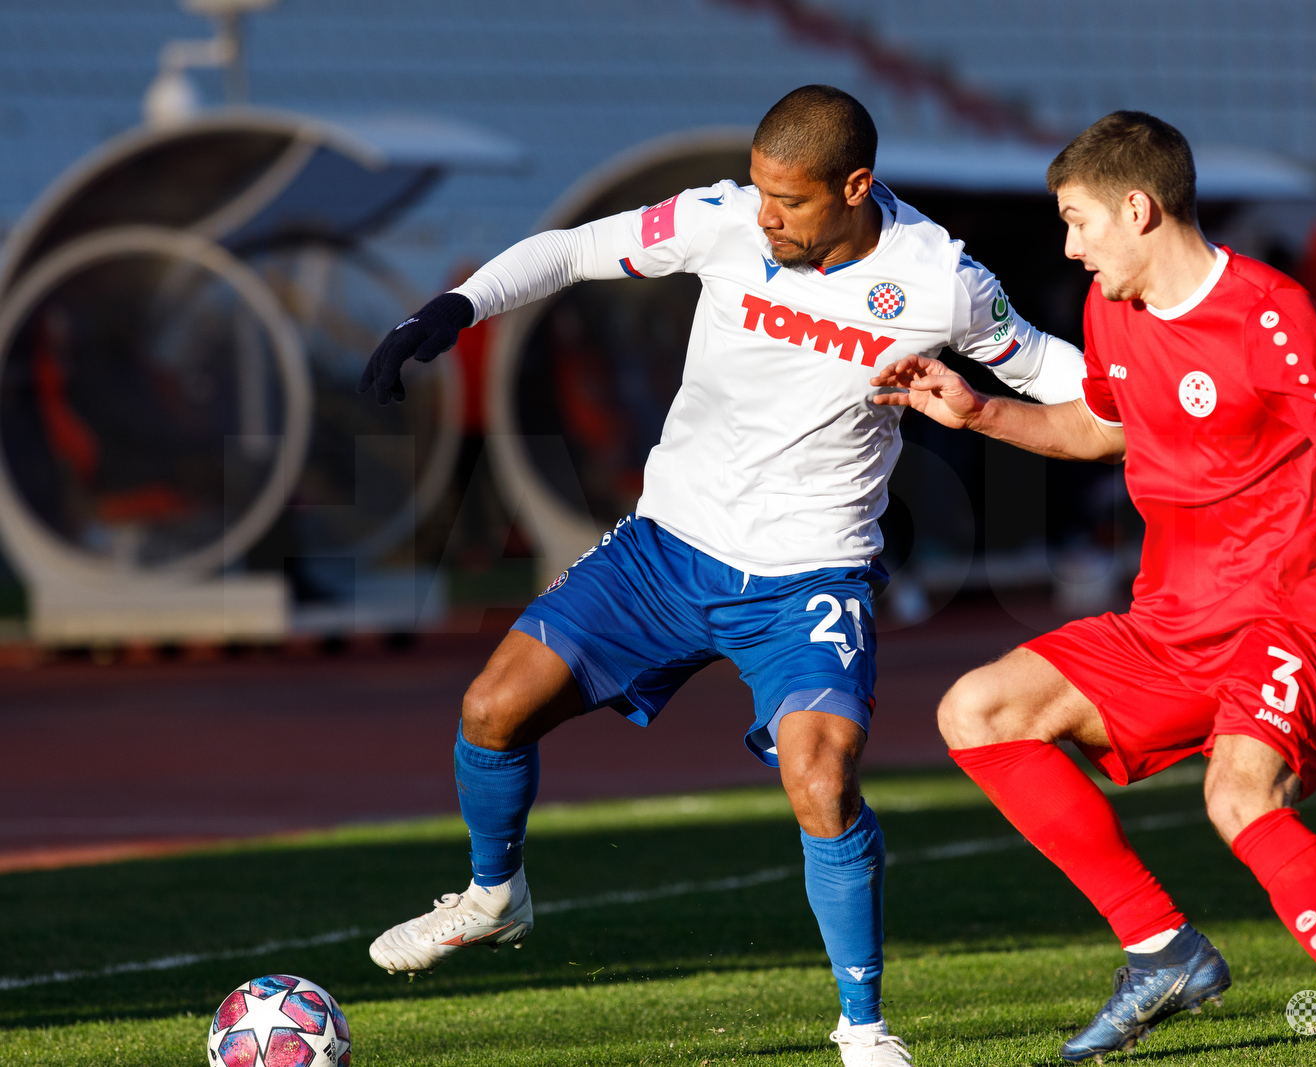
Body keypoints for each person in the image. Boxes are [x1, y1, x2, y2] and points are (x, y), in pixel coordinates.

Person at [356, 85, 1085, 1066]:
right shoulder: (722, 220)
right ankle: (494, 894)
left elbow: (1048, 372)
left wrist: (1176, 393)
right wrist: (449, 306)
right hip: (664, 550)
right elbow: (572, 249)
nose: (764, 214)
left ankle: (862, 1029)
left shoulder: (939, 280)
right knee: (492, 707)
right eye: (758, 190)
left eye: (786, 199)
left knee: (819, 773)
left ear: (855, 186)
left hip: (807, 579)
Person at [869, 111, 1316, 1067]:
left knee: (1239, 798)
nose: (1068, 246)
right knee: (978, 709)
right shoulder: (1112, 311)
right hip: (1173, 617)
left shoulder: (1272, 313)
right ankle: (1164, 948)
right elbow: (1103, 429)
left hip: (1296, 613)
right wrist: (979, 412)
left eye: (1077, 221)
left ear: (1137, 209)